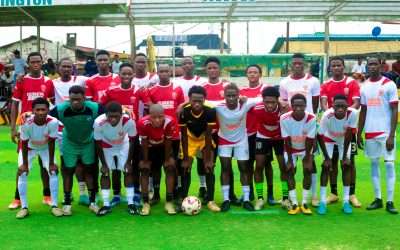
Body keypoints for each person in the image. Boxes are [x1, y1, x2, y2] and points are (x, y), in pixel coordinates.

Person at [100, 63, 150, 207]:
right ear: (119, 75)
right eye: (124, 74)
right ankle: (116, 194)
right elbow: (100, 106)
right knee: (115, 167)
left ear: (133, 75)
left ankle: (135, 193)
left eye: (129, 74)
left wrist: (142, 122)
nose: (127, 76)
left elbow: (149, 107)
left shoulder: (139, 90)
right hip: (114, 134)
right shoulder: (111, 90)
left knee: (132, 164)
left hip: (133, 134)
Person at [49, 85, 104, 215]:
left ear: (84, 98)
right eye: (72, 99)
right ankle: (67, 204)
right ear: (69, 98)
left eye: (78, 99)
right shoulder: (61, 109)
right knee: (68, 171)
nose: (75, 102)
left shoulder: (95, 108)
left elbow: (110, 116)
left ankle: (92, 203)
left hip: (88, 142)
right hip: (70, 143)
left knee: (89, 170)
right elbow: (47, 118)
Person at [9, 52, 53, 209]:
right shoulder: (22, 81)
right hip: (26, 128)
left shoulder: (48, 82)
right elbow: (14, 104)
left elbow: (51, 105)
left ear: (42, 63)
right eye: (33, 61)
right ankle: (17, 198)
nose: (36, 64)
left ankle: (47, 195)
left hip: (44, 128)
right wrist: (13, 127)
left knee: (45, 163)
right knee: (22, 163)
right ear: (28, 64)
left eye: (38, 61)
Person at [357, 57, 399, 214]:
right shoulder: (364, 86)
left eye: (375, 64)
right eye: (370, 64)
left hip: (385, 132)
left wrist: (391, 135)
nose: (372, 67)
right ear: (367, 67)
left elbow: (395, 110)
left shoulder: (389, 85)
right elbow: (364, 110)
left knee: (389, 164)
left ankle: (390, 201)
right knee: (374, 164)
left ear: (381, 66)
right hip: (370, 132)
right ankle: (378, 199)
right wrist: (359, 132)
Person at [46, 57, 89, 205]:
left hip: (81, 126)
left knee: (83, 162)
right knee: (67, 163)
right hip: (61, 128)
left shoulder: (81, 80)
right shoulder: (53, 83)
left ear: (73, 68)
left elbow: (101, 80)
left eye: (69, 67)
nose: (66, 69)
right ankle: (68, 194)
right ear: (59, 68)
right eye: (63, 66)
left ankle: (84, 193)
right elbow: (45, 97)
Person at [320, 56, 362, 208]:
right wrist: (331, 116)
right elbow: (324, 103)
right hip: (332, 128)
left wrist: (346, 116)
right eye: (334, 66)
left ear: (343, 67)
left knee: (350, 162)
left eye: (339, 65)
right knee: (332, 162)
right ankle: (334, 193)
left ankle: (351, 194)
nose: (336, 68)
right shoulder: (326, 84)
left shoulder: (351, 83)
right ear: (330, 68)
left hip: (348, 128)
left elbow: (356, 103)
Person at [279, 53, 320, 207]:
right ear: (291, 65)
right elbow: (283, 103)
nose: (297, 66)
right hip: (291, 125)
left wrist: (311, 121)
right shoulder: (284, 82)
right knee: (290, 167)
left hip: (308, 125)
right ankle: (289, 197)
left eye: (300, 63)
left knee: (311, 163)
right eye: (295, 63)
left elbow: (315, 105)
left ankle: (313, 196)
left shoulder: (313, 81)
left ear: (304, 65)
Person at [15, 97, 63, 219]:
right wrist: (25, 164)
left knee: (53, 171)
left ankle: (54, 206)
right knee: (22, 173)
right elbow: (24, 143)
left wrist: (51, 163)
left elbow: (52, 142)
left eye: (43, 109)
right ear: (33, 110)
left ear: (48, 110)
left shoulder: (53, 122)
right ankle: (24, 207)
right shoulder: (26, 123)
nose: (41, 112)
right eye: (38, 110)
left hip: (45, 148)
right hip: (29, 149)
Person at [202, 56, 239, 205]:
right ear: (206, 70)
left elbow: (237, 103)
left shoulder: (227, 87)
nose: (212, 70)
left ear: (219, 69)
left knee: (227, 165)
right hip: (207, 134)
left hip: (225, 133)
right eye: (209, 68)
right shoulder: (202, 87)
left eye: (215, 67)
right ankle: (209, 196)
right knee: (208, 164)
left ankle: (231, 194)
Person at [179, 85, 220, 212]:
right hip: (189, 139)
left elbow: (208, 135)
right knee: (185, 166)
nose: (197, 104)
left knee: (209, 167)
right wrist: (186, 158)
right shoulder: (184, 111)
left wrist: (208, 158)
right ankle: (183, 199)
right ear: (189, 99)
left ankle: (210, 200)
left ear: (205, 99)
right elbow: (184, 136)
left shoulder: (210, 110)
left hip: (204, 139)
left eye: (200, 101)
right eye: (194, 101)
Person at [217, 83, 257, 212]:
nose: (231, 98)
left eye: (234, 95)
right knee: (225, 168)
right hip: (224, 140)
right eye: (228, 95)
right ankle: (226, 199)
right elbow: (203, 101)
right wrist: (182, 105)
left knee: (244, 168)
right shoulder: (218, 107)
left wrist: (281, 100)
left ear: (238, 95)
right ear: (224, 96)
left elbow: (262, 98)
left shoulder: (246, 104)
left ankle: (246, 199)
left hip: (241, 141)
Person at [147, 64, 184, 204]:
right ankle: (156, 194)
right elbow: (149, 113)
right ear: (157, 73)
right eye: (161, 71)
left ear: (170, 72)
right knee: (155, 167)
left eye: (166, 71)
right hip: (156, 135)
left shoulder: (177, 89)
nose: (163, 74)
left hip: (174, 135)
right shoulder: (152, 90)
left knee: (172, 165)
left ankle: (173, 193)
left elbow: (181, 109)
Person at [94, 102, 137, 216]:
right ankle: (106, 204)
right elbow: (97, 143)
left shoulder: (129, 121)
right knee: (105, 173)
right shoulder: (98, 122)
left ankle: (131, 203)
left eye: (116, 116)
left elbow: (133, 141)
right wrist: (103, 164)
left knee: (128, 171)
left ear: (121, 115)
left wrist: (128, 162)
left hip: (123, 144)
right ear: (106, 114)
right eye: (110, 116)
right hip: (106, 145)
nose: (112, 119)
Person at [317, 94, 358, 215]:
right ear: (332, 106)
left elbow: (350, 135)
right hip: (329, 139)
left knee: (346, 166)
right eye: (337, 106)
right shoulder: (326, 115)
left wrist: (345, 156)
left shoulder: (353, 113)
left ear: (347, 106)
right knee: (325, 167)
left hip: (344, 140)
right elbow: (319, 135)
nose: (340, 109)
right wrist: (327, 158)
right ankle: (323, 201)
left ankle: (345, 201)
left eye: (343, 106)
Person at [250, 87, 289, 210]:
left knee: (284, 166)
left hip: (279, 138)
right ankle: (260, 198)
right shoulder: (257, 109)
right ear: (263, 100)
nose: (270, 105)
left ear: (278, 100)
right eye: (267, 102)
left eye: (273, 102)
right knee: (259, 165)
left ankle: (285, 198)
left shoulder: (285, 109)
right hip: (263, 137)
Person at [239, 64, 271, 204]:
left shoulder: (265, 89)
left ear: (260, 74)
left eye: (255, 72)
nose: (252, 74)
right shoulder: (242, 91)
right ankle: (249, 192)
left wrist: (249, 102)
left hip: (262, 133)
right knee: (247, 164)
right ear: (246, 75)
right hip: (247, 133)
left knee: (265, 164)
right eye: (250, 72)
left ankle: (269, 193)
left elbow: (266, 102)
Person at [138, 104, 177, 215]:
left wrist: (167, 159)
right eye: (154, 117)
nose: (157, 120)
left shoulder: (170, 122)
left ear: (164, 116)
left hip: (163, 147)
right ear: (149, 116)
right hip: (148, 148)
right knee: (144, 169)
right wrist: (145, 161)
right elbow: (144, 143)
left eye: (160, 117)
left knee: (169, 167)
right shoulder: (142, 123)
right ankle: (145, 202)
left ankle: (169, 201)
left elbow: (169, 141)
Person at [280, 94, 316, 215]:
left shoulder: (311, 118)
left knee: (308, 170)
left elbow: (310, 140)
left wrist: (307, 158)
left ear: (305, 106)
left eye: (301, 105)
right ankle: (295, 203)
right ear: (291, 106)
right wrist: (290, 159)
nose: (298, 108)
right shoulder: (284, 118)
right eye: (295, 105)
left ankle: (304, 202)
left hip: (306, 148)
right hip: (290, 149)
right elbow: (286, 139)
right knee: (289, 171)